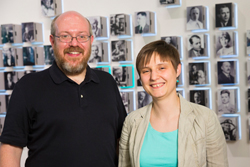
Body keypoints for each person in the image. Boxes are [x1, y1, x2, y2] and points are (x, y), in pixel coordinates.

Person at [0, 11, 127, 167]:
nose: (74, 43)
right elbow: (10, 149)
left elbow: (120, 141)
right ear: (52, 41)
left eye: (82, 36)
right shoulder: (28, 87)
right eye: (65, 36)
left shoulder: (107, 83)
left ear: (91, 40)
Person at [119, 40, 228, 167]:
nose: (154, 77)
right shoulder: (131, 122)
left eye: (162, 68)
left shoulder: (206, 118)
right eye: (146, 71)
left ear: (177, 70)